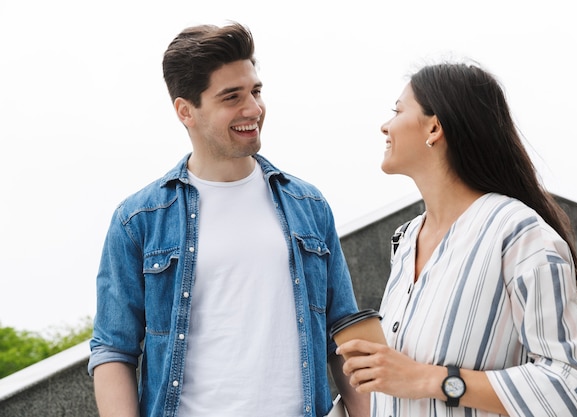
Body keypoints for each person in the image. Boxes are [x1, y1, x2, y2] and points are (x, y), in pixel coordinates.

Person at [87, 22, 369, 417]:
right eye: (231, 97)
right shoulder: (138, 220)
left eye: (255, 91)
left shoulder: (308, 205)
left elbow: (344, 337)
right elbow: (113, 349)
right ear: (186, 111)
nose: (252, 109)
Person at [336, 62, 577, 416]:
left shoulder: (519, 234)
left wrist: (430, 380)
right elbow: (397, 385)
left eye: (398, 110)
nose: (385, 125)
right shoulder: (406, 241)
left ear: (434, 127)